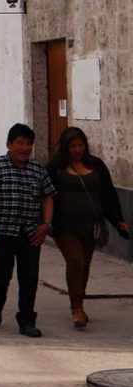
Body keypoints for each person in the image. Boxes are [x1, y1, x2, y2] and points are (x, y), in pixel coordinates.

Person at [0, 123, 56, 338]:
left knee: (29, 278)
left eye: (28, 143)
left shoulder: (38, 170)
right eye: (20, 143)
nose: (25, 148)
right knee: (1, 276)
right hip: (2, 232)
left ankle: (27, 319)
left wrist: (45, 225)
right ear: (9, 144)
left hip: (31, 234)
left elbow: (48, 197)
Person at [46, 127, 129, 328]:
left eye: (80, 145)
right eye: (72, 146)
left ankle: (79, 302)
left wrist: (118, 219)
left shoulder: (96, 165)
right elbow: (45, 195)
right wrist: (46, 221)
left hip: (91, 226)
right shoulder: (54, 168)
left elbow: (108, 194)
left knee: (84, 265)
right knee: (75, 261)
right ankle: (76, 308)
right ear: (65, 147)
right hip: (64, 226)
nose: (77, 149)